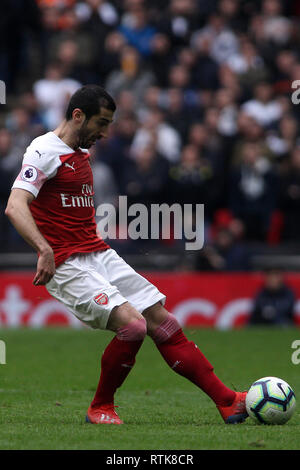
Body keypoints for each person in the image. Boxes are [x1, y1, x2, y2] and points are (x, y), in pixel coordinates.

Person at [5, 84, 247, 425]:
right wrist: (43, 249)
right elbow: (15, 206)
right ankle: (100, 407)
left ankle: (227, 400)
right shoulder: (43, 151)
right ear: (78, 115)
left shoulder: (80, 150)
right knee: (133, 327)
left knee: (164, 323)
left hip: (98, 253)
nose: (105, 132)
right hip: (66, 262)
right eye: (101, 123)